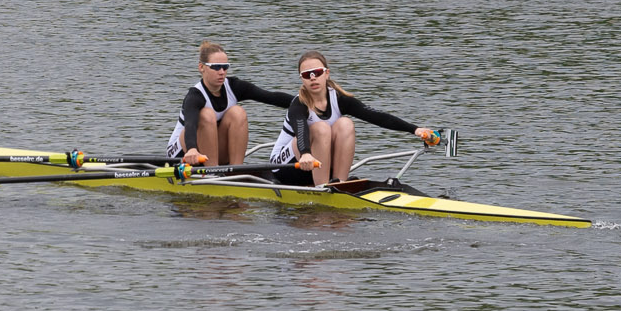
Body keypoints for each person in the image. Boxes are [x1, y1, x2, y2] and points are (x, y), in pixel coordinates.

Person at [273, 51, 442, 186]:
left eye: (317, 72)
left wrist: (414, 129)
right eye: (306, 74)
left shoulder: (339, 99)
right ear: (302, 79)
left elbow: (376, 116)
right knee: (321, 128)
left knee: (345, 124)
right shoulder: (298, 104)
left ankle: (339, 183)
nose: (312, 78)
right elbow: (301, 128)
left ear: (327, 74)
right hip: (288, 167)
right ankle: (322, 187)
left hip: (318, 164)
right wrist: (305, 154)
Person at [166, 42, 293, 167]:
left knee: (237, 112)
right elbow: (190, 125)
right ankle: (212, 172)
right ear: (201, 67)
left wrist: (304, 102)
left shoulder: (234, 87)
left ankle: (235, 170)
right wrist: (192, 149)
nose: (221, 72)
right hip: (183, 153)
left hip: (210, 151)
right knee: (206, 114)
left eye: (225, 67)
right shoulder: (194, 96)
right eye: (216, 67)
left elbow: (270, 97)